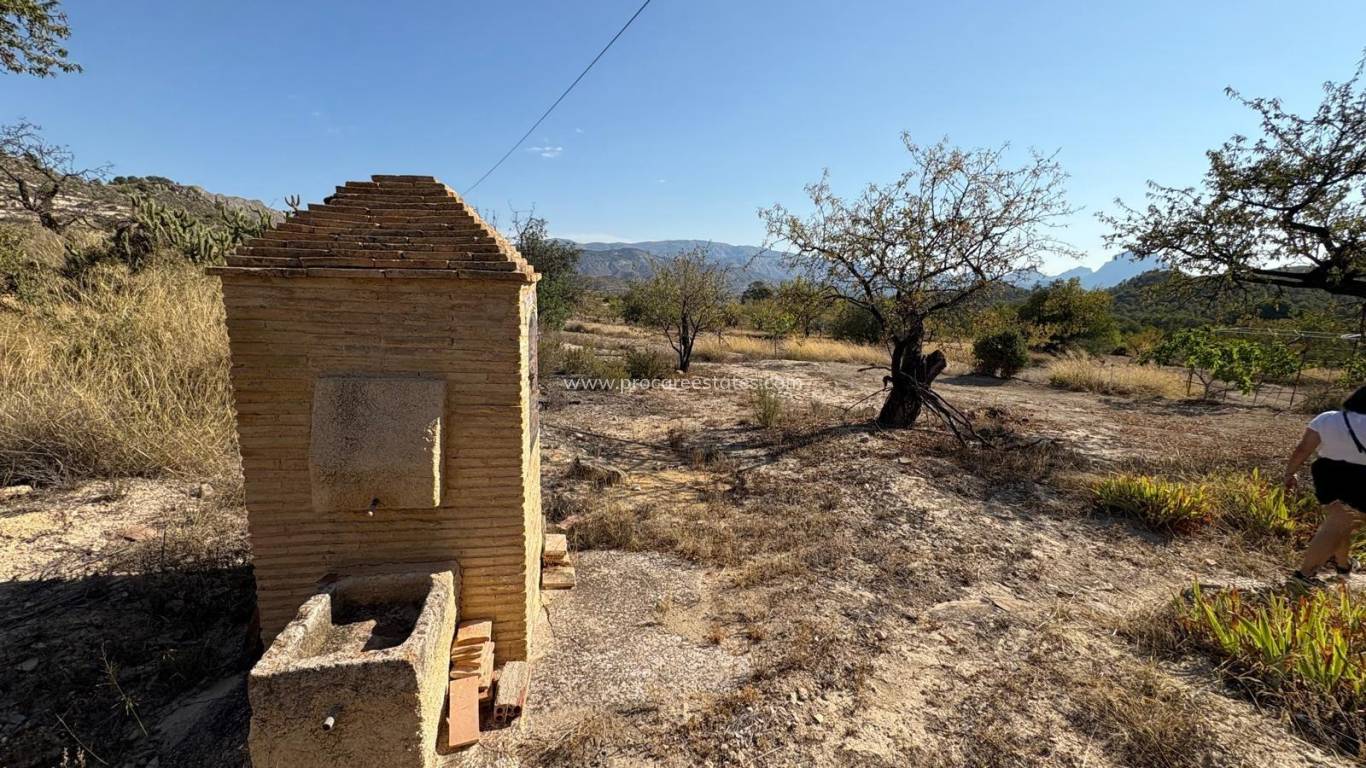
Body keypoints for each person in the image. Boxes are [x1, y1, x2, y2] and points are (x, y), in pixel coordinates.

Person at [1285, 384, 1366, 585]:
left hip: (1326, 473)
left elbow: (1303, 449)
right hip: (1361, 476)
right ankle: (1304, 574)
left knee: (1341, 521)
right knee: (1338, 524)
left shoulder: (1327, 418)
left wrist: (1290, 473)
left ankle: (1342, 565)